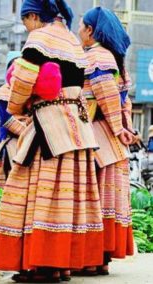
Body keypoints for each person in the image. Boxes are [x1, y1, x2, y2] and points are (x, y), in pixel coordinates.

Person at [0, 0, 104, 282]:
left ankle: (43, 264)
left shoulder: (39, 38)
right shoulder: (72, 40)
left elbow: (24, 79)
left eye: (25, 21)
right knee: (68, 195)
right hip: (76, 125)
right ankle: (61, 264)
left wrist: (17, 106)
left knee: (39, 191)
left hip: (49, 125)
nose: (26, 27)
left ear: (32, 16)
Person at [78, 7, 135, 275]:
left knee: (93, 200)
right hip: (113, 140)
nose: (78, 31)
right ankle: (100, 259)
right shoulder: (115, 59)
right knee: (105, 201)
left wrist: (116, 127)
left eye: (81, 26)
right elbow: (124, 102)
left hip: (97, 135)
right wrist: (125, 128)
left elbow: (107, 97)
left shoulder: (96, 58)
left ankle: (90, 260)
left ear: (90, 31)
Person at [0, 51, 30, 188]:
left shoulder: (29, 91)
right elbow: (6, 120)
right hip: (10, 143)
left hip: (26, 142)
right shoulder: (4, 92)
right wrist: (29, 133)